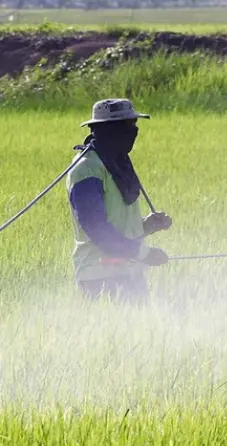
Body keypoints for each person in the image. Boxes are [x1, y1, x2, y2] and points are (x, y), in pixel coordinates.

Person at [67, 99, 174, 303]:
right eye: (127, 126)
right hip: (99, 276)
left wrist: (146, 226)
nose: (133, 131)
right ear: (107, 129)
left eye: (134, 125)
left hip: (130, 273)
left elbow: (119, 224)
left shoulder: (118, 163)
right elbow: (96, 227)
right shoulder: (87, 169)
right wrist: (144, 253)